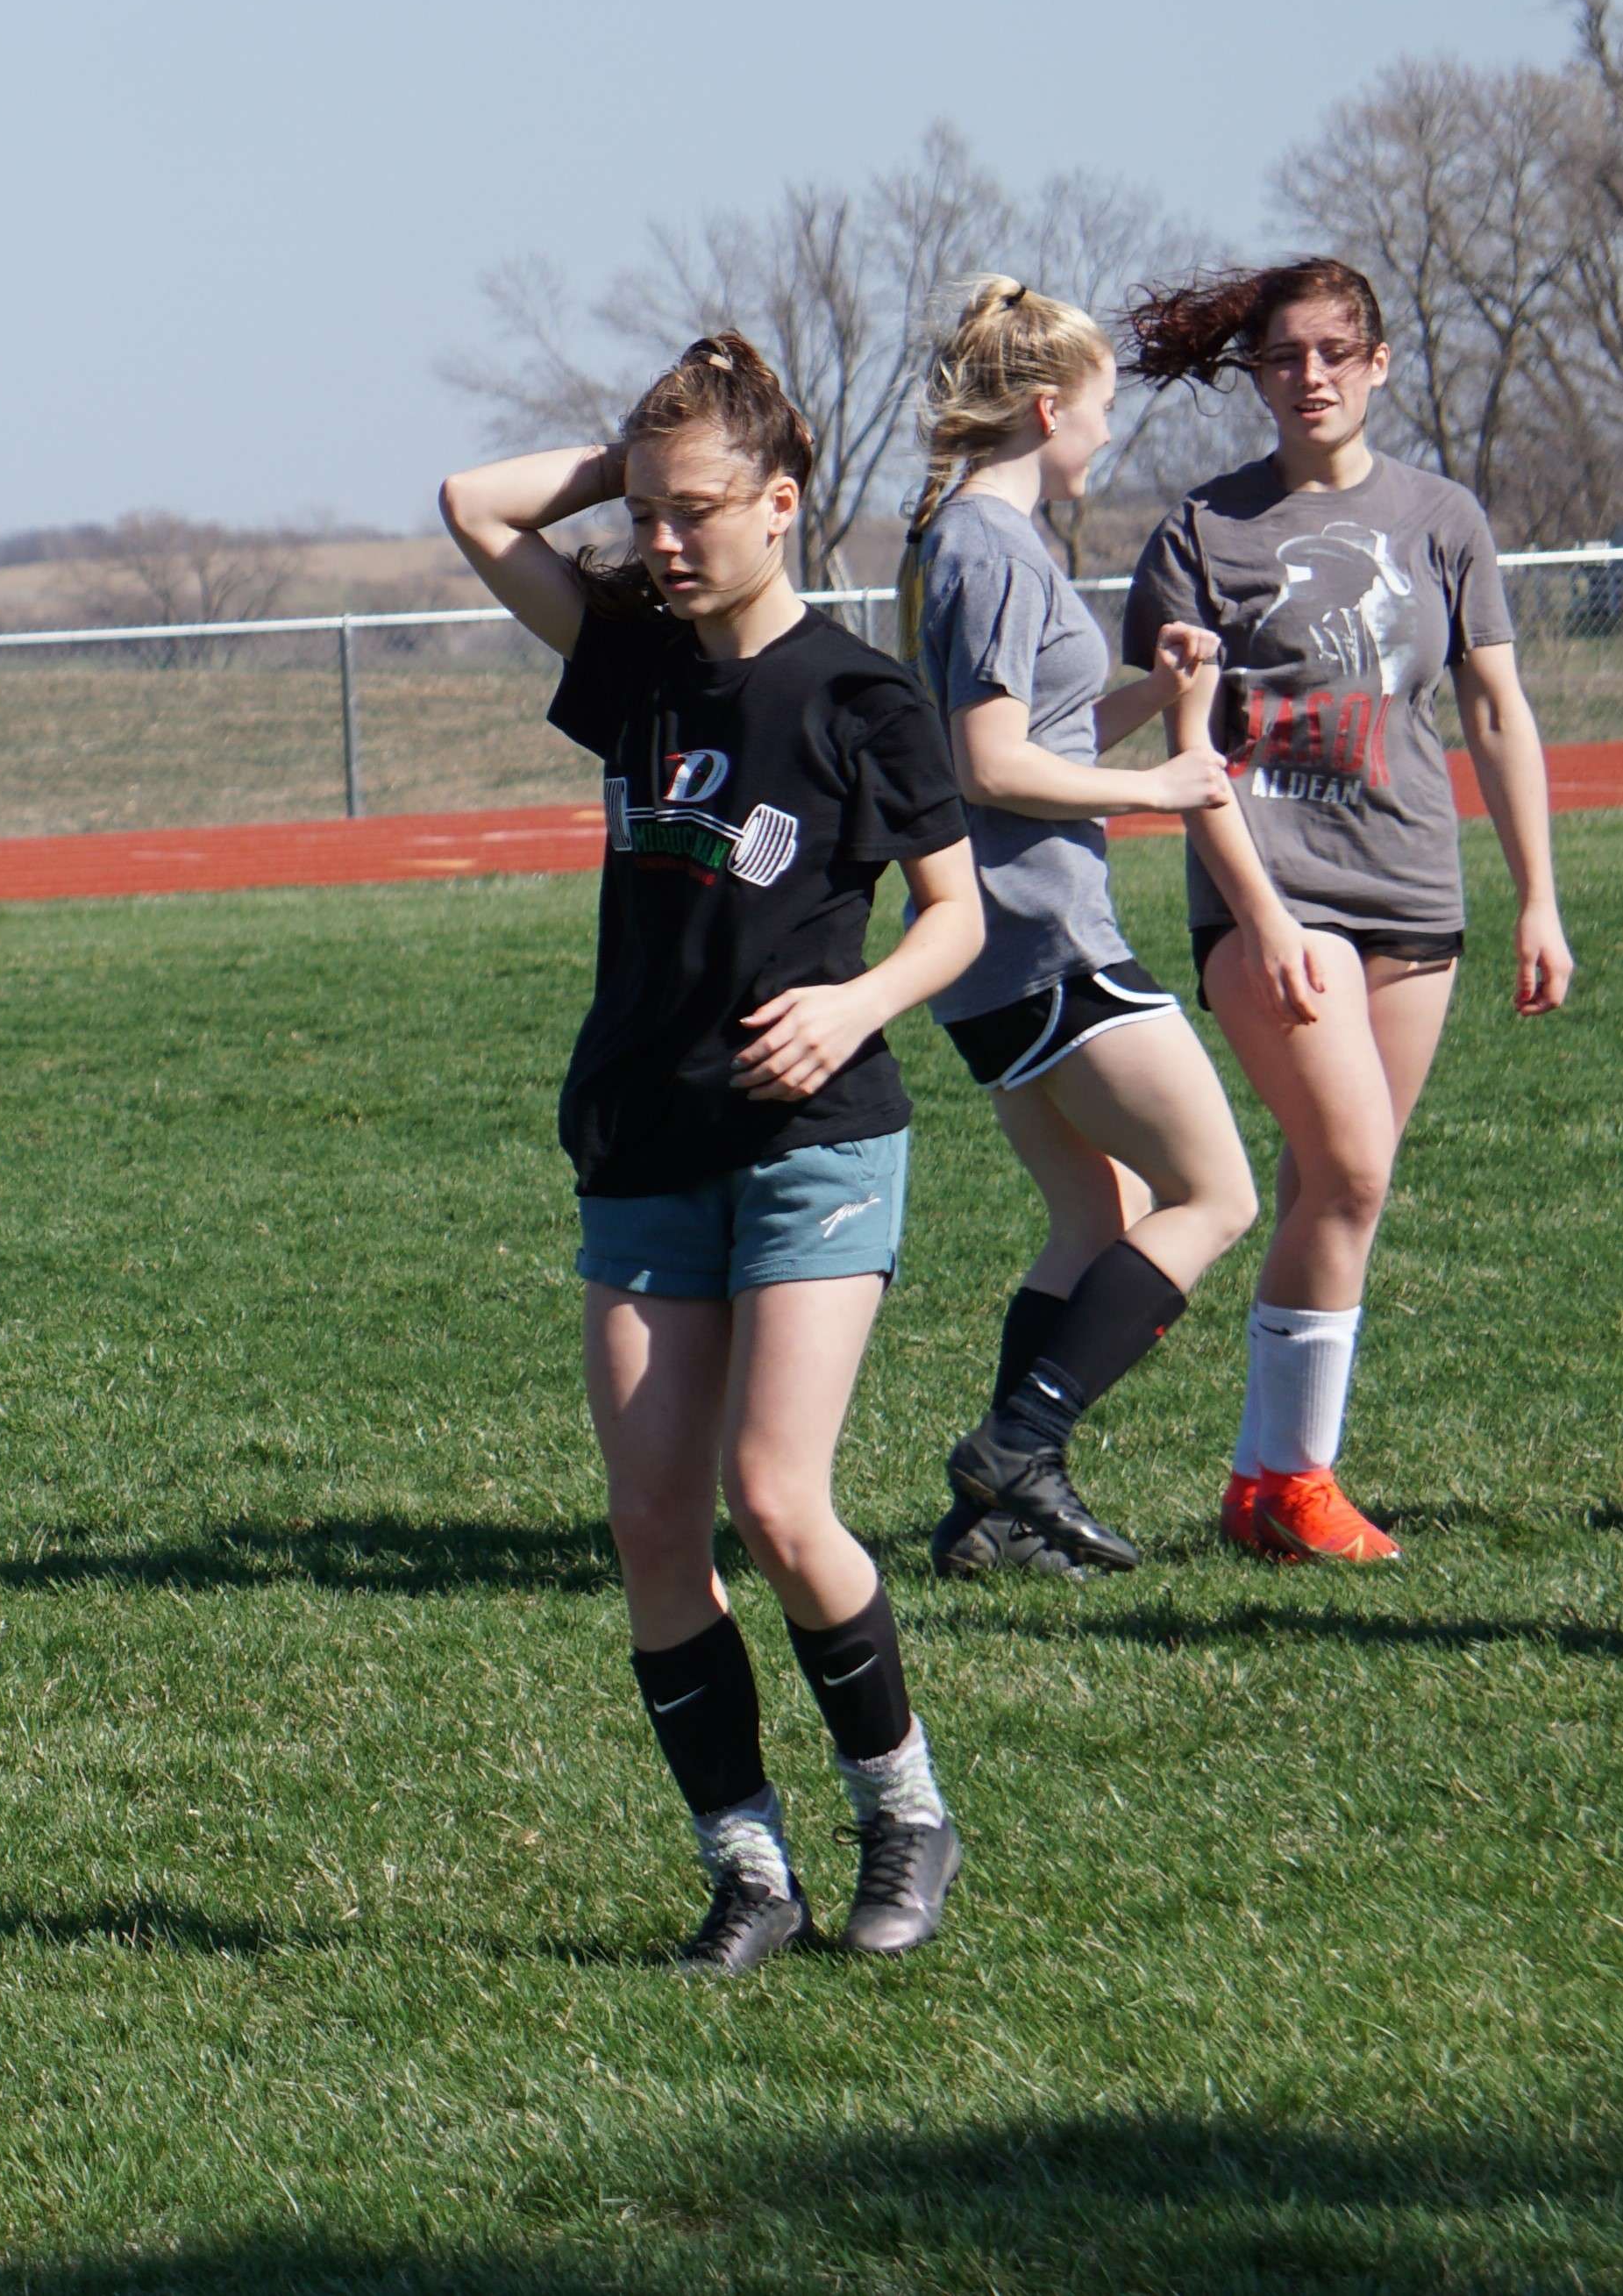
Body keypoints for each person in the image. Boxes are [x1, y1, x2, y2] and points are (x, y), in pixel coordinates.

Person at [440, 333, 986, 1972]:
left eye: (698, 514)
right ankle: (747, 1868)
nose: (664, 545)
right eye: (648, 512)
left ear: (781, 504)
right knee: (652, 1528)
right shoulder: (635, 663)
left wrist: (852, 1005)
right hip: (640, 1137)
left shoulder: (857, 698)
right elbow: (473, 508)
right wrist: (629, 459)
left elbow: (957, 920)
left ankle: (901, 1813)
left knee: (776, 1495)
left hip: (811, 1139)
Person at [1122, 259, 1575, 1562]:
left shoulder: (1442, 517)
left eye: (1333, 351)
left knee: (1336, 1183)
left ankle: (1267, 1486)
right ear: (1254, 376)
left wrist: (1534, 900)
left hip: (1413, 888)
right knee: (1352, 1168)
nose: (1308, 375)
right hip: (1271, 892)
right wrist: (1256, 919)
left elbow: (1492, 711)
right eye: (1281, 356)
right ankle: (1290, 1481)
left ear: (1377, 363)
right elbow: (1185, 748)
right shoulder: (1201, 533)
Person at [895, 277, 1262, 1579]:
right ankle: (1018, 1446)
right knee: (1215, 1194)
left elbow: (1024, 739)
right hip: (1046, 940)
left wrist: (1143, 702)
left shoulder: (960, 536)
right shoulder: (990, 547)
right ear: (1046, 408)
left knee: (1092, 1218)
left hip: (993, 958)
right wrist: (1158, 785)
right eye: (1100, 411)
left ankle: (993, 1523)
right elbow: (989, 762)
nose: (1104, 436)